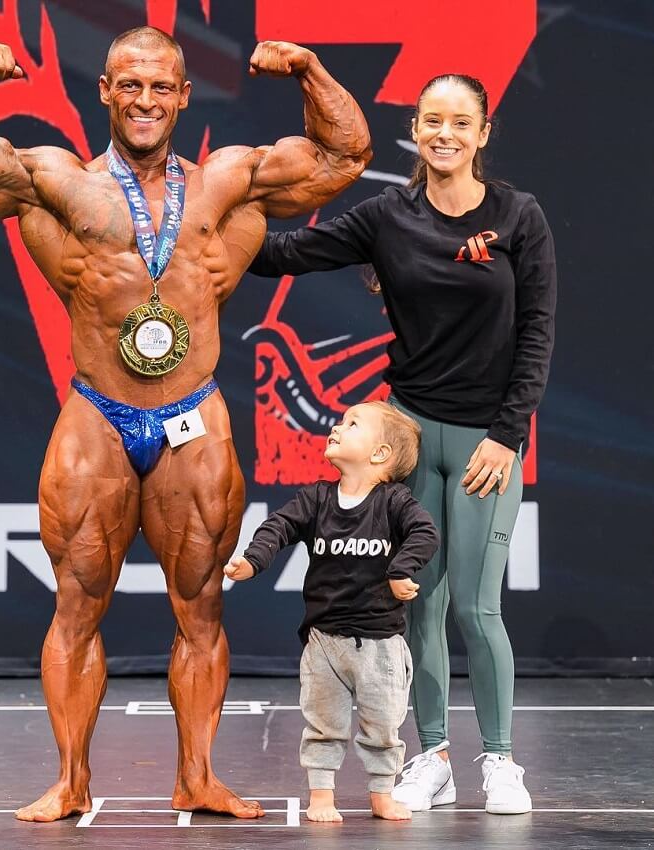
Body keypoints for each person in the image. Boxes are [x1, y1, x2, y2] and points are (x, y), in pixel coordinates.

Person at [0, 28, 371, 822]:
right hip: (98, 412)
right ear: (105, 92)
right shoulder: (53, 179)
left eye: (162, 87)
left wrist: (309, 68)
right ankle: (70, 779)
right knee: (78, 599)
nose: (146, 100)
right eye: (130, 85)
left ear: (185, 95)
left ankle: (197, 774)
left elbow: (343, 156)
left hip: (193, 412)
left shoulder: (229, 180)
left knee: (200, 607)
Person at [248, 74, 557, 815]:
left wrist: (507, 436)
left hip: (487, 442)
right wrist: (208, 211)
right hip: (411, 436)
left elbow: (537, 334)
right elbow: (284, 254)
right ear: (416, 131)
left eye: (461, 122)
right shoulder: (388, 215)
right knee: (416, 604)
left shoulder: (519, 216)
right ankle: (433, 755)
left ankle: (502, 761)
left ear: (483, 134)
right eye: (431, 121)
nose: (445, 133)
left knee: (477, 610)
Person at [224, 401, 439, 823]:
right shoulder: (317, 498)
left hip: (381, 643)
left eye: (352, 424)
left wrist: (400, 570)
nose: (337, 428)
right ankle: (321, 795)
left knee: (383, 727)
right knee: (323, 723)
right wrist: (254, 560)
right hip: (324, 640)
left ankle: (382, 792)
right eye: (341, 422)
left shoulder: (394, 502)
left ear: (380, 455)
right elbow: (278, 526)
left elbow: (424, 533)